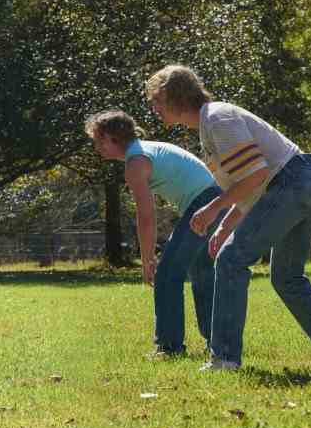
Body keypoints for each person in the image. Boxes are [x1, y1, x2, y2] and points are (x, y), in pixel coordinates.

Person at [145, 64, 311, 371]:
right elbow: (251, 184)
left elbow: (257, 175)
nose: (153, 108)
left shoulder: (217, 118)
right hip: (302, 182)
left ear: (172, 96)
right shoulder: (210, 122)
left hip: (291, 183)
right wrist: (225, 225)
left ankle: (225, 358)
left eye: (156, 100)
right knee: (287, 278)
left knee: (231, 260)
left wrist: (213, 209)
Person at [85, 109, 220, 357]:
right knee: (202, 272)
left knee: (167, 273)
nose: (96, 148)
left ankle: (169, 348)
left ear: (112, 138)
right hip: (215, 200)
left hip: (206, 203)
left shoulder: (136, 163)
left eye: (98, 140)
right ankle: (218, 344)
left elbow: (146, 218)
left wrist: (148, 259)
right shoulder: (142, 151)